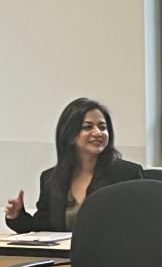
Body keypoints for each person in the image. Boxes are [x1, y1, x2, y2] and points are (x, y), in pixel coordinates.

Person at [5, 97, 143, 232]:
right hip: (64, 254)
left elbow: (139, 224)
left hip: (110, 254)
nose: (97, 133)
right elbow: (42, 227)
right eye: (87, 127)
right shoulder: (50, 178)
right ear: (69, 134)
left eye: (102, 127)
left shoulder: (127, 174)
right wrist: (16, 215)